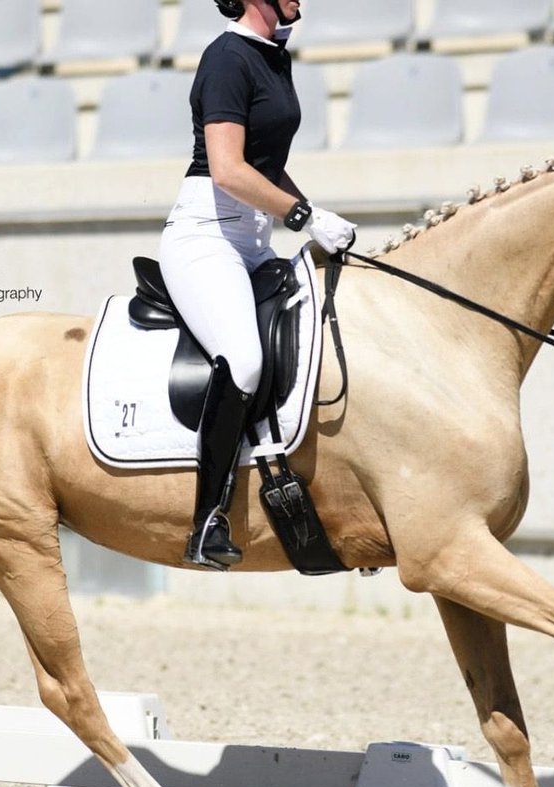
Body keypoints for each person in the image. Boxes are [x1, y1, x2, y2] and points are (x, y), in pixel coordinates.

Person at [160, 0, 357, 570]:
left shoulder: (274, 57)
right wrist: (304, 217)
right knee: (243, 360)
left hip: (252, 238)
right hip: (206, 236)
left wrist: (313, 209)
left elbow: (264, 163)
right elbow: (228, 169)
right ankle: (207, 523)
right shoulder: (226, 58)